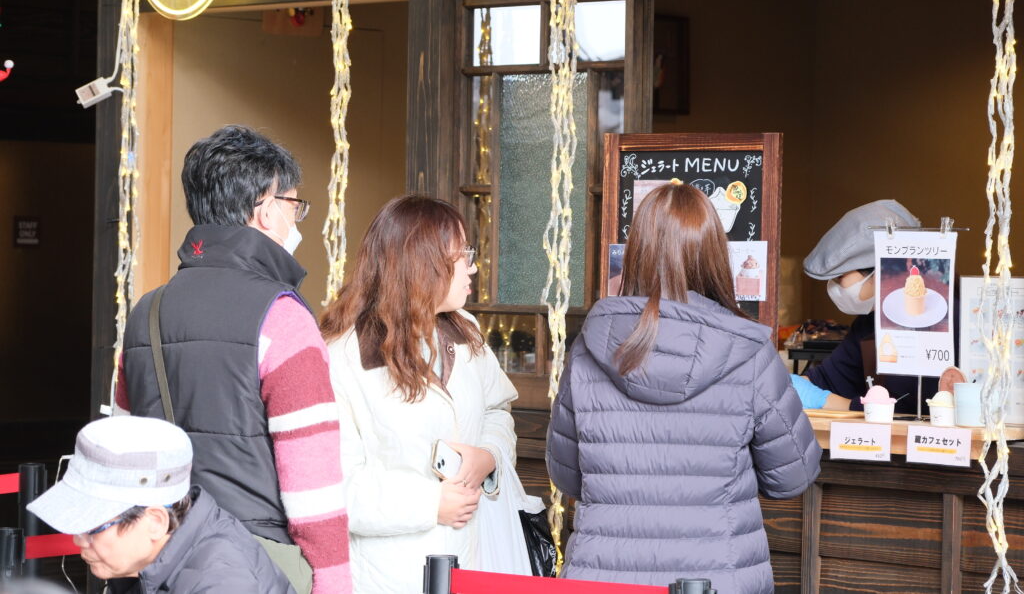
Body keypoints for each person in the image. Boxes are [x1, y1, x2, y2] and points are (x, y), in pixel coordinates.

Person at [546, 181, 820, 592]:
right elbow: (793, 475)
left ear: (636, 251)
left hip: (602, 577)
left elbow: (566, 475)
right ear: (714, 255)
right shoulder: (749, 352)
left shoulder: (589, 348)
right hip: (717, 578)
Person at [116, 126, 349, 594]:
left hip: (162, 559)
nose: (297, 220)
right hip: (253, 566)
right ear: (266, 210)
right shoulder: (282, 316)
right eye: (294, 206)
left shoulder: (146, 311)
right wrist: (334, 583)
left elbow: (123, 451)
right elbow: (313, 482)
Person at [321, 195, 518, 594]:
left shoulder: (465, 331)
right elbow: (335, 488)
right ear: (422, 263)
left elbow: (498, 409)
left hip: (470, 563)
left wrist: (488, 456)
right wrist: (431, 504)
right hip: (389, 577)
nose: (473, 267)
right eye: (463, 255)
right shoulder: (344, 357)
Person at [26, 416, 294, 594]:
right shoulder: (152, 560)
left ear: (155, 521)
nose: (78, 540)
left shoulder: (221, 583)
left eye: (93, 526)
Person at [797, 199, 939, 413]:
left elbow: (908, 408)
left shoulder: (939, 320)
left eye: (840, 277)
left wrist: (827, 402)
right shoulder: (868, 323)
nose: (835, 286)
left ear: (878, 271)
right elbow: (828, 378)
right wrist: (789, 385)